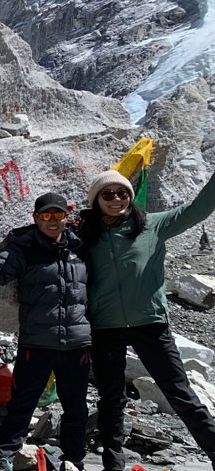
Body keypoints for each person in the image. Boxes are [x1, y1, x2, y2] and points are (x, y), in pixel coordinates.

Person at [79, 169, 215, 471]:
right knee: (111, 400)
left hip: (151, 325)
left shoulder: (153, 224)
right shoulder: (85, 234)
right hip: (105, 328)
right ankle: (113, 464)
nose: (117, 199)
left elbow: (199, 209)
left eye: (122, 193)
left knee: (182, 396)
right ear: (96, 201)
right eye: (108, 194)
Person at [0, 192, 91, 471]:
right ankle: (4, 455)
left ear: (66, 218)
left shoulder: (81, 249)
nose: (52, 221)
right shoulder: (23, 248)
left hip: (76, 345)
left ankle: (74, 460)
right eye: (46, 215)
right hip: (37, 343)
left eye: (58, 215)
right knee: (23, 402)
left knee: (76, 407)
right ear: (36, 218)